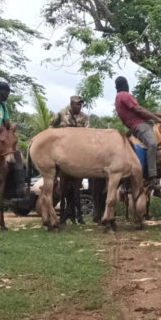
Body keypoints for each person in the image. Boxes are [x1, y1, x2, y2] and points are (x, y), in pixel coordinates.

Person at [114, 76, 161, 195]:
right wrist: (157, 118)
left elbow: (137, 111)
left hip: (138, 124)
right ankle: (153, 177)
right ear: (125, 84)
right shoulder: (124, 95)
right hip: (140, 126)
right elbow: (138, 110)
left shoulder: (118, 98)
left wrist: (156, 114)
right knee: (152, 143)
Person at [51, 95, 90, 225]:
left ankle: (78, 216)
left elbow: (87, 134)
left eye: (80, 104)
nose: (79, 106)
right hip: (64, 151)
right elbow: (51, 125)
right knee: (62, 189)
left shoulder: (85, 118)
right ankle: (62, 215)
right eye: (76, 104)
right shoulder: (62, 114)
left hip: (78, 152)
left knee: (77, 190)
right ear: (71, 104)